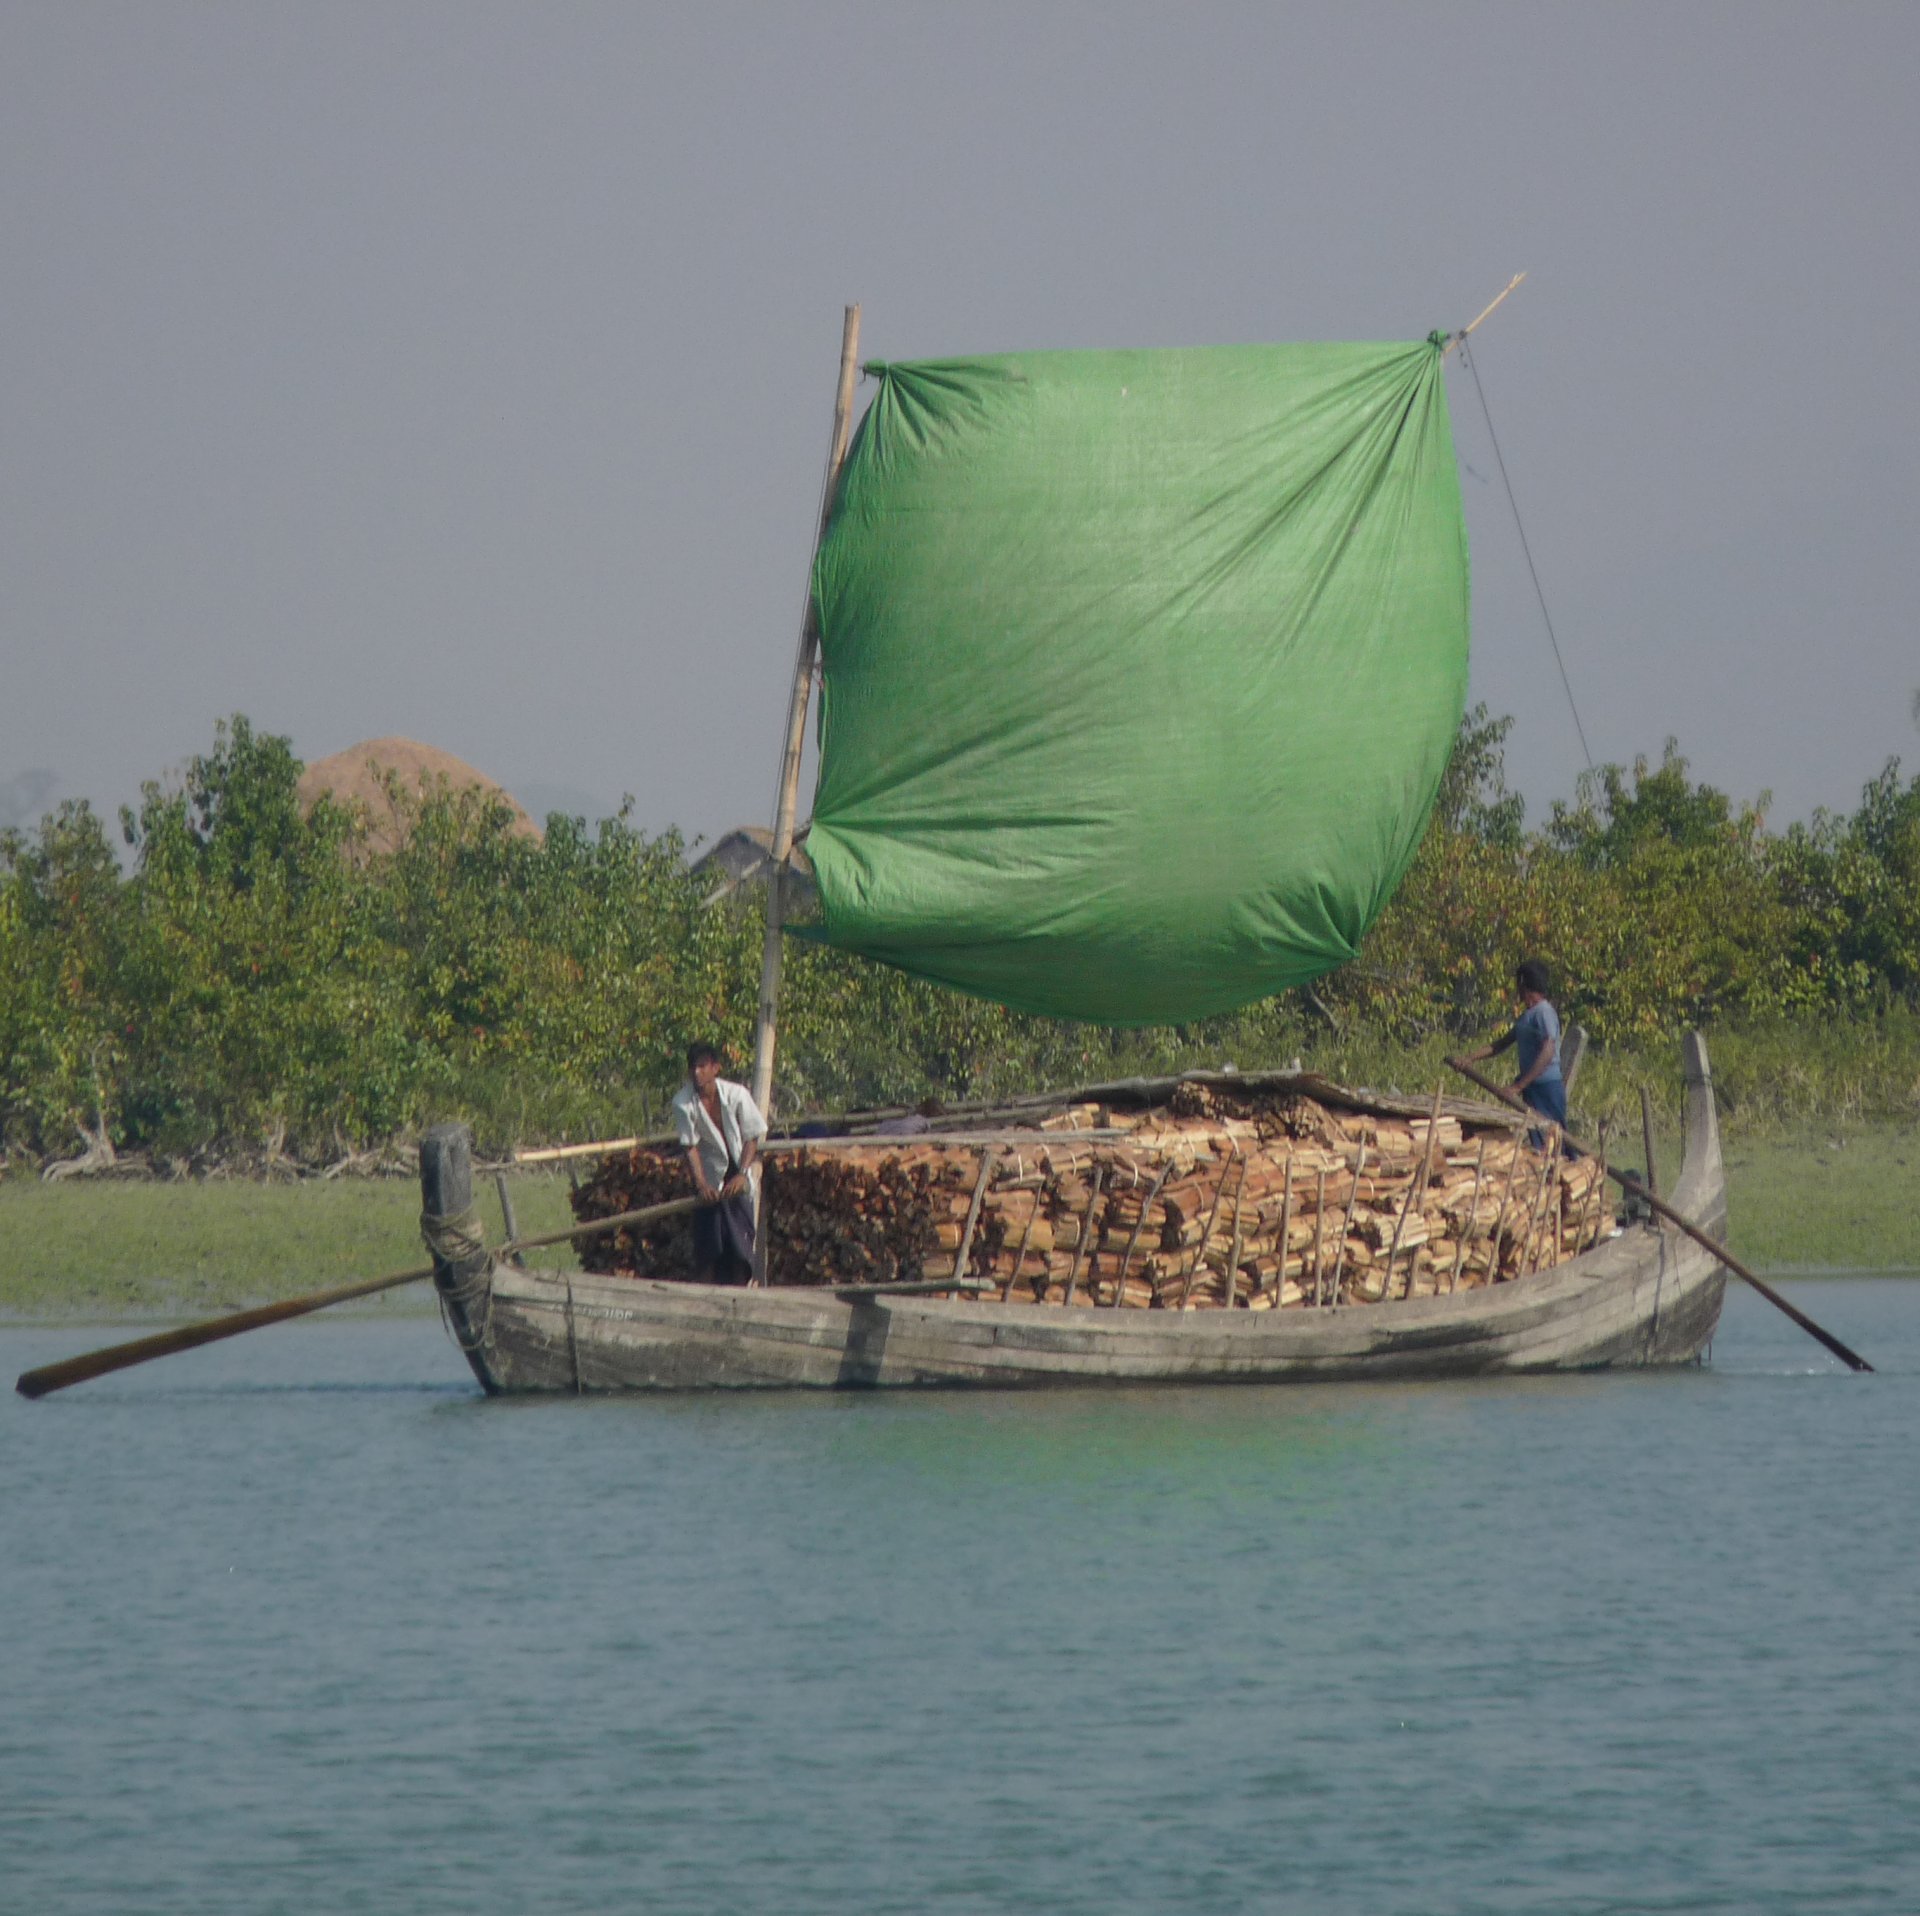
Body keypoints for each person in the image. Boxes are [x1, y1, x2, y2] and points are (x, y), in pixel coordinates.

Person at [669, 1042, 768, 1285]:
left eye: (702, 1067)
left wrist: (743, 1174)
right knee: (708, 1249)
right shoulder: (683, 1102)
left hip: (737, 1173)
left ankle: (737, 1297)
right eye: (693, 1067)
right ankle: (706, 1300)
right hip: (710, 1177)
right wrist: (701, 1184)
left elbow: (751, 1137)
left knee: (739, 1249)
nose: (697, 1073)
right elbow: (690, 1147)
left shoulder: (736, 1095)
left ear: (715, 1068)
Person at [1461, 959, 1568, 1149]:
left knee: (1556, 1138)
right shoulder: (1527, 1016)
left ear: (1525, 987)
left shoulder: (1544, 1012)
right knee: (1538, 1141)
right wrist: (1469, 1058)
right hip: (1533, 1089)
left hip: (1547, 1088)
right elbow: (1500, 1044)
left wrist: (1519, 1085)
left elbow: (1548, 1050)